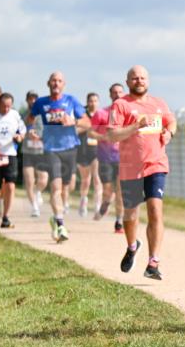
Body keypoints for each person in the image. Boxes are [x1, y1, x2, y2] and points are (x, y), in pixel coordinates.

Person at [107, 65, 176, 280]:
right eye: (134, 78)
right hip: (130, 167)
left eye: (143, 78)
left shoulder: (158, 103)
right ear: (127, 82)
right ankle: (132, 245)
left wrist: (169, 132)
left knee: (155, 210)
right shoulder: (121, 105)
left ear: (148, 81)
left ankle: (153, 262)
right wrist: (135, 126)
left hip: (155, 164)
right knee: (131, 214)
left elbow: (171, 121)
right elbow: (112, 135)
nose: (139, 81)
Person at [26, 72, 91, 242]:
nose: (56, 83)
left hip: (70, 148)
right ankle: (61, 224)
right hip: (51, 149)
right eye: (53, 80)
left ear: (64, 84)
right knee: (56, 187)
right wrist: (30, 130)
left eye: (59, 81)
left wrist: (73, 121)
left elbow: (87, 123)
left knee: (67, 188)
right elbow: (30, 118)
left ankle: (55, 218)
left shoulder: (71, 101)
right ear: (48, 83)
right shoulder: (41, 102)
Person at [90, 83, 125, 232]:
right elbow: (91, 133)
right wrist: (104, 137)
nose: (117, 95)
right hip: (105, 158)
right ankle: (105, 202)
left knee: (120, 191)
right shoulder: (101, 114)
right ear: (110, 95)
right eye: (114, 92)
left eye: (120, 92)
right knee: (108, 190)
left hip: (123, 158)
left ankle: (119, 222)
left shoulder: (128, 114)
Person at [0, 93, 27, 228]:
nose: (6, 109)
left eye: (9, 106)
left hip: (10, 154)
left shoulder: (15, 115)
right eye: (3, 106)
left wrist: (20, 137)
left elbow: (22, 131)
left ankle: (6, 217)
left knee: (10, 185)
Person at [20, 91, 49, 217]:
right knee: (29, 181)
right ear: (27, 100)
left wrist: (41, 138)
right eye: (30, 99)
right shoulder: (22, 115)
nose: (32, 101)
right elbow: (18, 130)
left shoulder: (44, 114)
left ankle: (38, 192)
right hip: (27, 152)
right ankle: (34, 207)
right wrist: (27, 133)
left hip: (41, 152)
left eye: (34, 99)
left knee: (43, 180)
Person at [75, 92, 103, 217]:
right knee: (86, 180)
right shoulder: (82, 115)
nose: (93, 103)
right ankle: (83, 200)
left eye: (95, 101)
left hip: (97, 151)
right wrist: (88, 126)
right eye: (91, 101)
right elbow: (75, 130)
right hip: (83, 150)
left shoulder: (102, 115)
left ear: (98, 102)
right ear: (87, 102)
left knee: (97, 178)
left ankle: (98, 206)